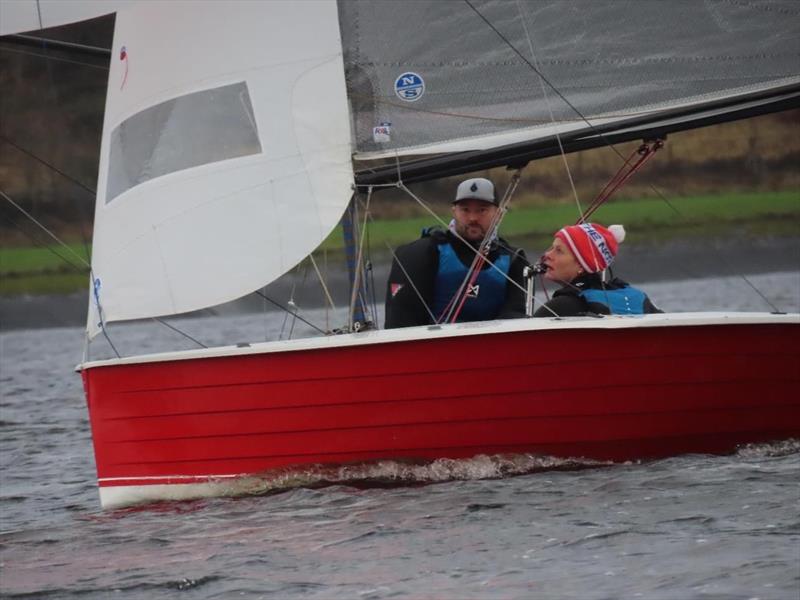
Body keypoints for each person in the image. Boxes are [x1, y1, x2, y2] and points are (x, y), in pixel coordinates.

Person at [385, 177, 528, 328]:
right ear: (454, 212)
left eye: (482, 210)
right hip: (436, 346)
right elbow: (402, 319)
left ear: (498, 214)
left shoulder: (512, 259)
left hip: (490, 347)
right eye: (465, 210)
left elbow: (514, 317)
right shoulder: (425, 252)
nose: (473, 218)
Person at [533, 222, 661, 317]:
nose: (547, 255)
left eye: (559, 251)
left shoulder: (562, 305)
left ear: (582, 266)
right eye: (552, 248)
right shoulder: (639, 298)